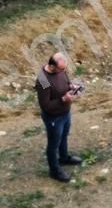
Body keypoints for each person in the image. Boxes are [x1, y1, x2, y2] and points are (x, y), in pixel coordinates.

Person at [35, 52, 82, 182]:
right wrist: (63, 99)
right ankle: (54, 171)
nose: (64, 71)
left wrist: (72, 86)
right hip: (53, 118)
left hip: (65, 112)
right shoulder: (43, 80)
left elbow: (66, 80)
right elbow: (45, 105)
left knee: (64, 136)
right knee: (53, 144)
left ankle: (64, 157)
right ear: (52, 66)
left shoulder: (61, 70)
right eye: (61, 69)